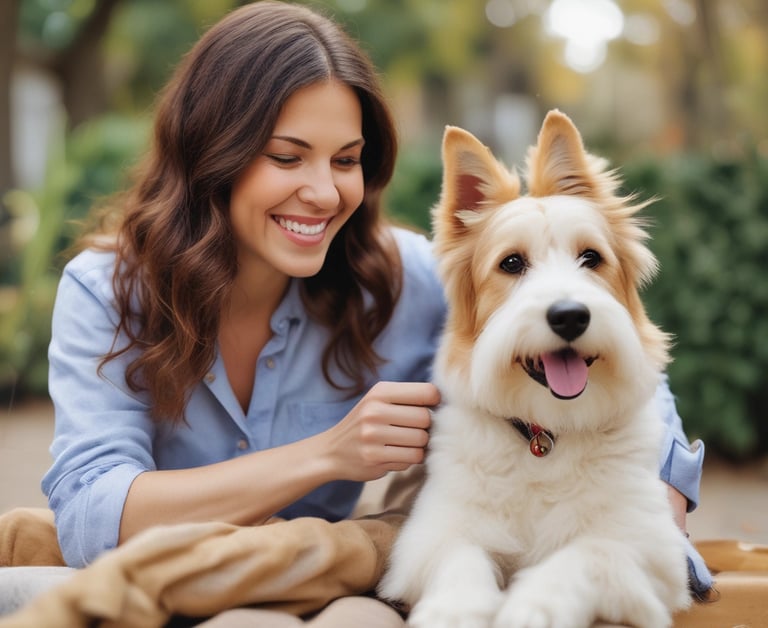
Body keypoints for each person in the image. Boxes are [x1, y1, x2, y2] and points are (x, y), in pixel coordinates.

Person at [0, 1, 707, 626]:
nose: (323, 191)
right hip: (156, 590)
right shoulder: (106, 291)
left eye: (346, 159)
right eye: (287, 156)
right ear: (210, 151)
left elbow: (587, 328)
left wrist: (660, 498)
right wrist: (327, 455)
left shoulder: (406, 282)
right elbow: (95, 518)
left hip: (311, 587)